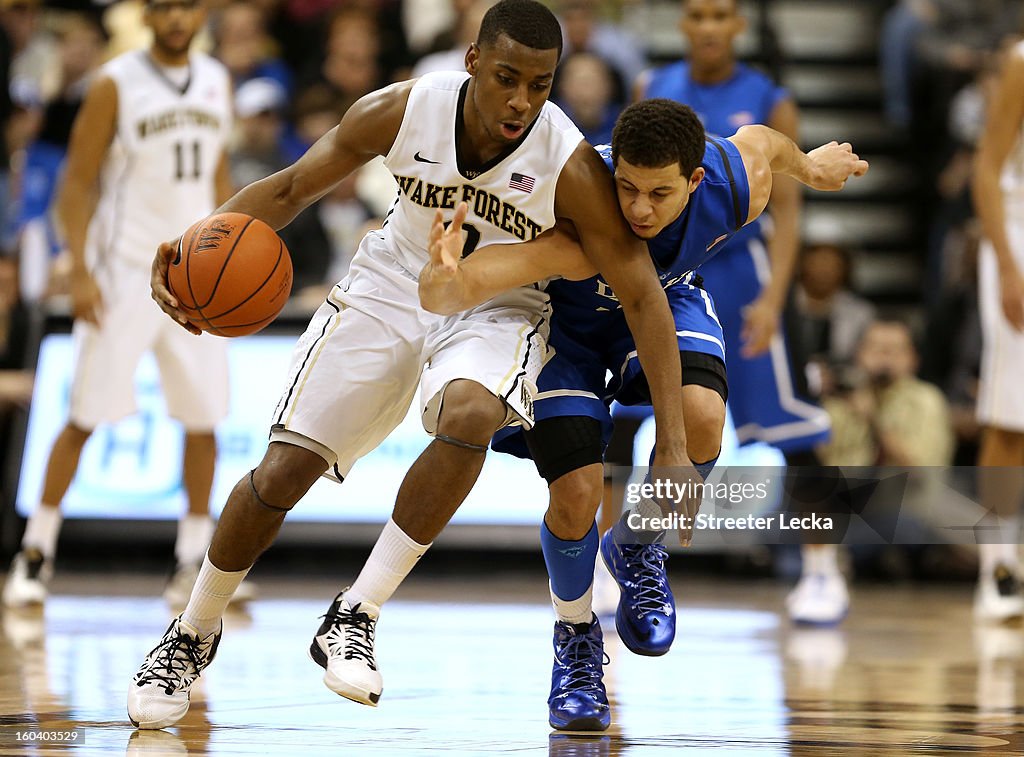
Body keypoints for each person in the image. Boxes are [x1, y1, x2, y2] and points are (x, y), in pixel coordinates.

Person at [127, 0, 691, 731]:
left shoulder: (569, 163)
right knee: (280, 473)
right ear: (472, 64)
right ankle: (192, 631)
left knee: (472, 414)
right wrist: (189, 249)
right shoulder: (402, 110)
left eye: (540, 84)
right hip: (392, 282)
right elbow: (293, 189)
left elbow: (646, 300)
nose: (523, 100)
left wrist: (673, 445)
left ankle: (356, 611)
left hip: (497, 304)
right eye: (507, 78)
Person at [421, 98, 867, 729]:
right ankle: (576, 642)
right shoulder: (578, 194)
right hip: (562, 329)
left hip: (664, 303)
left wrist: (812, 167)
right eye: (627, 188)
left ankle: (636, 544)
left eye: (659, 194)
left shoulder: (738, 184)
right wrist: (446, 282)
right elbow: (503, 268)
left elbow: (764, 142)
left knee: (701, 420)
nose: (637, 209)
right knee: (575, 495)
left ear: (695, 180)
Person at [1, 0, 246, 610]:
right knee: (84, 414)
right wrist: (80, 269)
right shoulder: (116, 82)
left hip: (195, 274)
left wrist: (229, 250)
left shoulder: (216, 80)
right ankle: (36, 552)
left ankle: (192, 561)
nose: (176, 19)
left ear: (201, 14)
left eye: (186, 8)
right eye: (164, 8)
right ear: (149, 16)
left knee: (203, 418)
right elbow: (77, 182)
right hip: (126, 273)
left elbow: (216, 172)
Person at [636, 0, 844, 626]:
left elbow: (789, 213)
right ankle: (610, 563)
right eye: (697, 15)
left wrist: (776, 295)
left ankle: (823, 571)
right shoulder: (653, 88)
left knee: (794, 430)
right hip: (664, 273)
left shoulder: (768, 97)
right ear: (683, 25)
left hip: (742, 276)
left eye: (719, 15)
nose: (707, 26)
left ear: (737, 27)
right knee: (623, 421)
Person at [971, 39, 1024, 623]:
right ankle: (999, 571)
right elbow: (986, 168)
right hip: (1018, 234)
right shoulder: (1021, 60)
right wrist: (1008, 265)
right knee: (1011, 413)